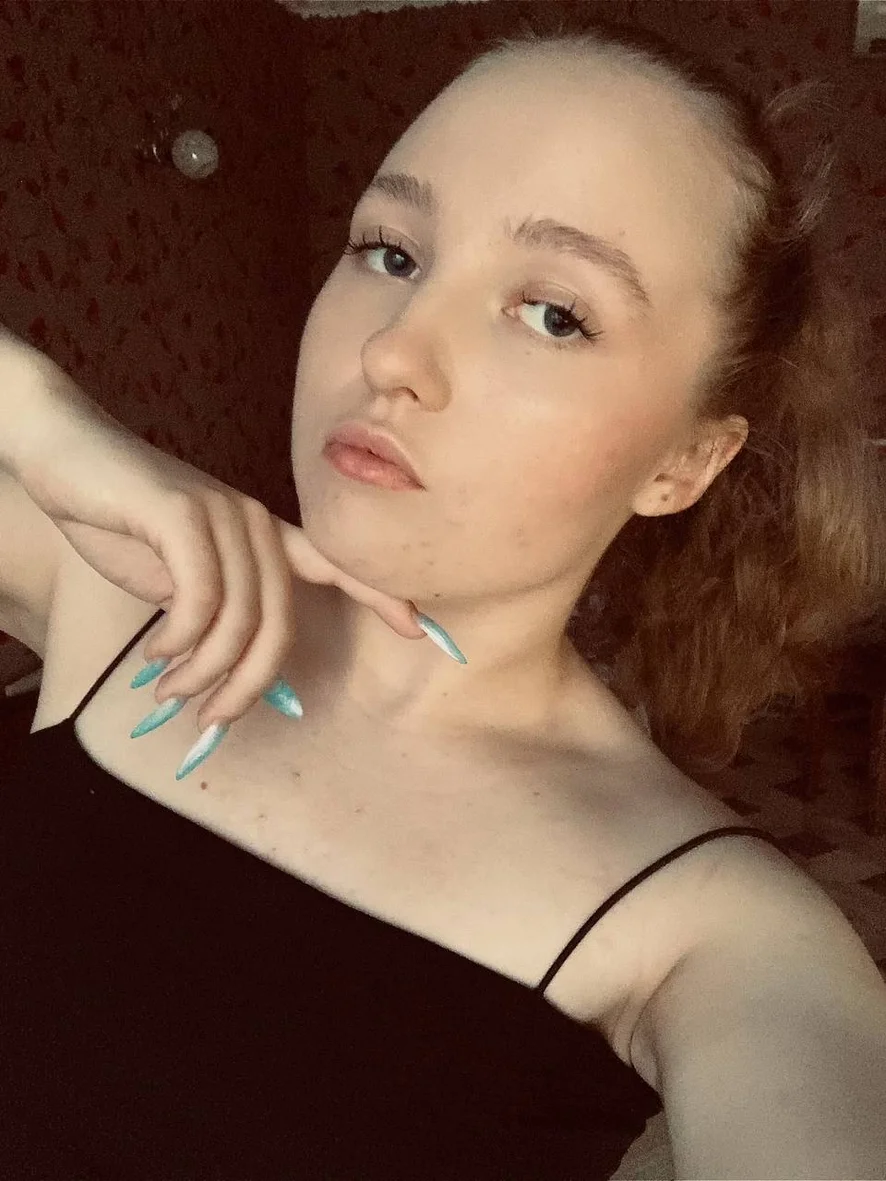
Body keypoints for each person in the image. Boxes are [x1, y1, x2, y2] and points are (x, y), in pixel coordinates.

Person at [2, 18, 885, 1181]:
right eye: (390, 251)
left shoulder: (715, 932)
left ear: (686, 460)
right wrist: (39, 414)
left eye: (553, 313)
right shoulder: (119, 591)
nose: (394, 353)